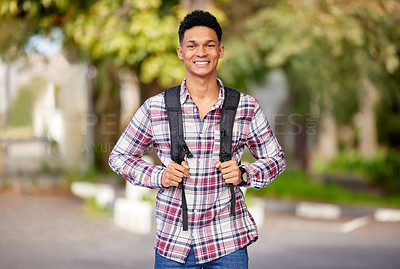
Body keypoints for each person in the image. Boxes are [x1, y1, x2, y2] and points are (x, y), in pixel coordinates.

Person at [109, 10, 286, 268]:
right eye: (192, 46)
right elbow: (119, 156)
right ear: (181, 52)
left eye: (209, 45)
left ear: (220, 51)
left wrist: (245, 174)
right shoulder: (156, 107)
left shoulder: (246, 107)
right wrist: (158, 176)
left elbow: (276, 159)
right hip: (174, 243)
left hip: (228, 242)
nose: (200, 53)